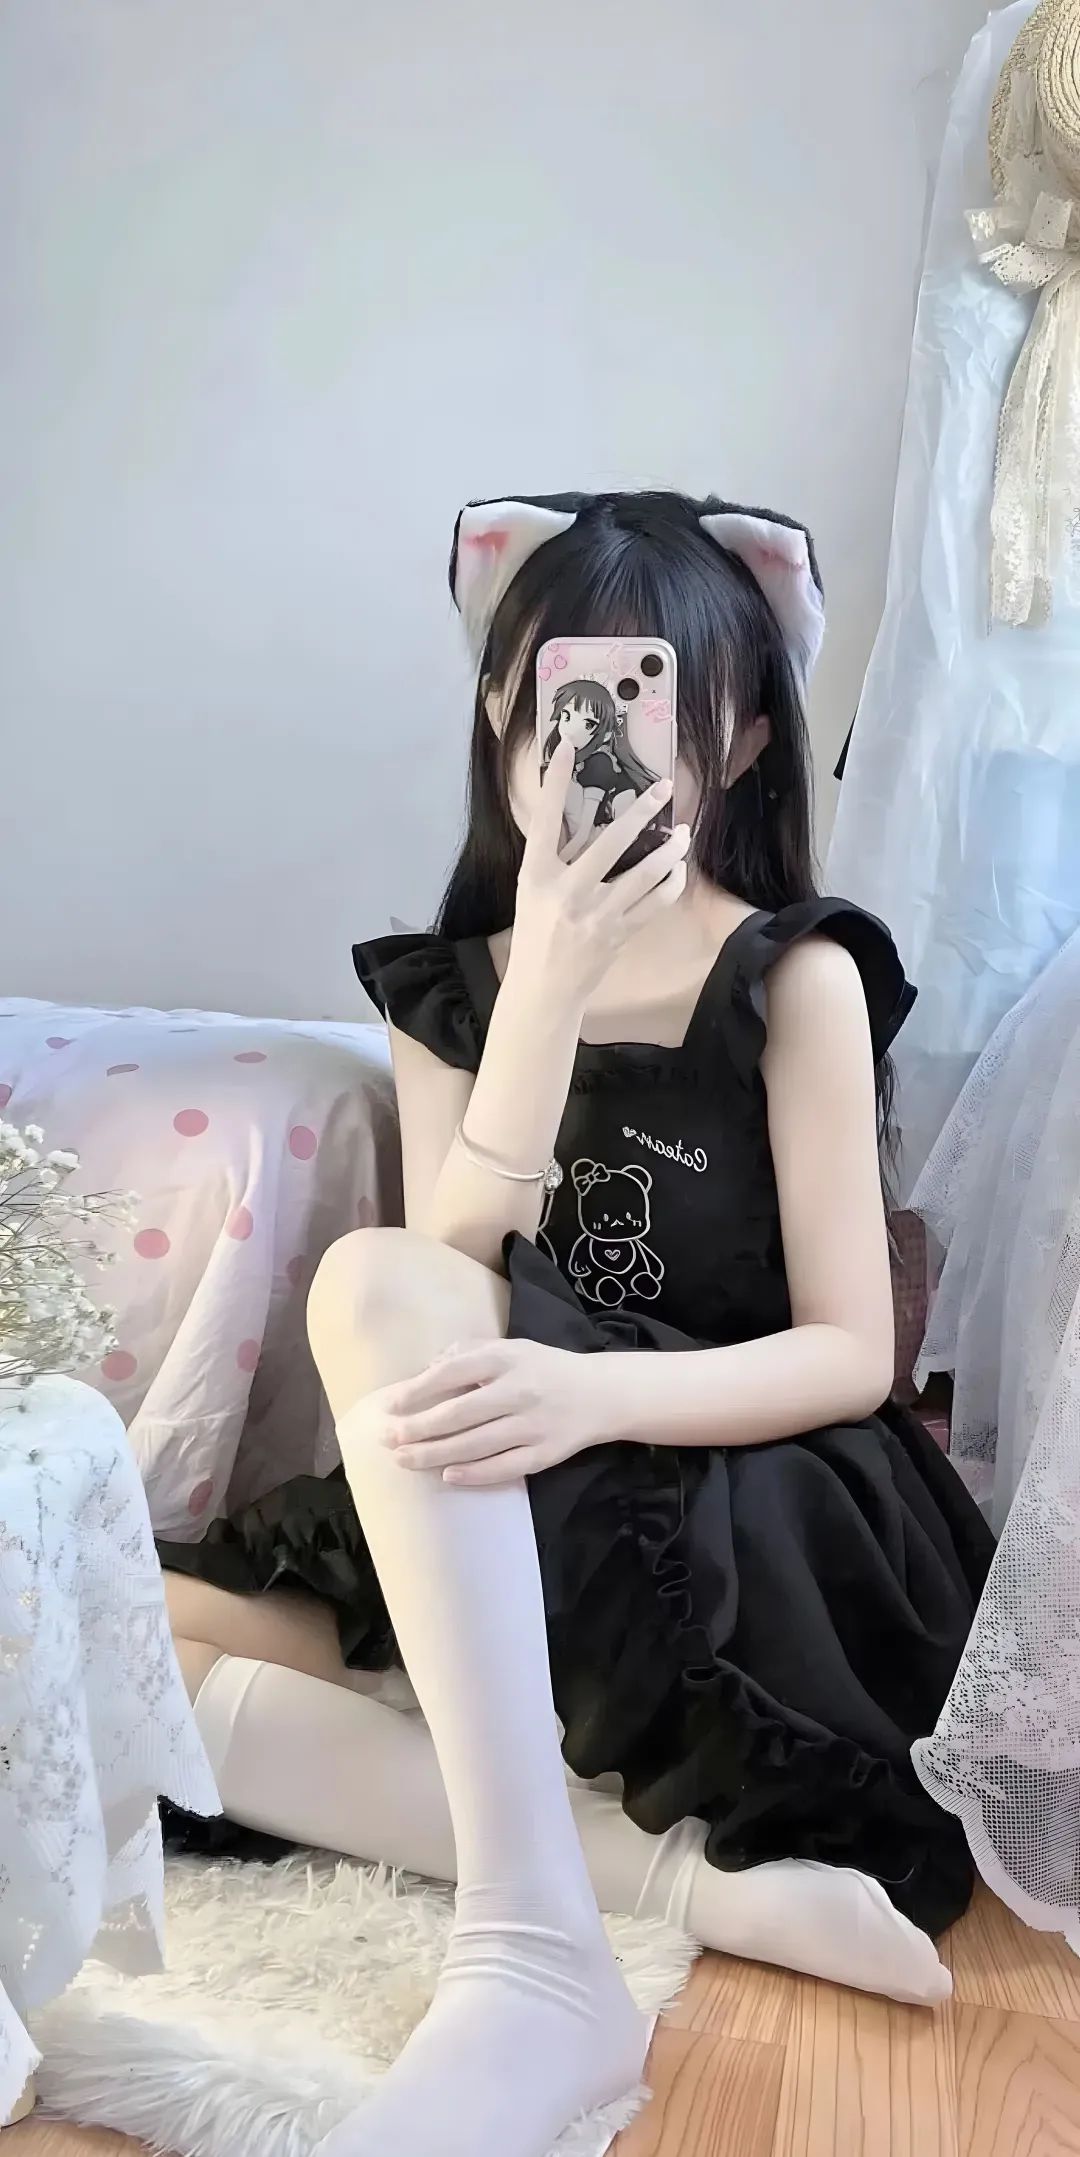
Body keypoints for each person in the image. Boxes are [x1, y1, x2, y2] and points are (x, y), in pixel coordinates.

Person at [160, 490, 995, 2157]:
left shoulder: (796, 977)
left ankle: (527, 1939)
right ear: (506, 719)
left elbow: (849, 1351)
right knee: (106, 1642)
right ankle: (670, 1887)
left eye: (655, 698)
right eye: (565, 695)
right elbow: (450, 1274)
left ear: (739, 739)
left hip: (734, 1502)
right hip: (500, 1473)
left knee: (373, 1291)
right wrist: (540, 982)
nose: (603, 742)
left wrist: (591, 1397)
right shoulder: (454, 989)